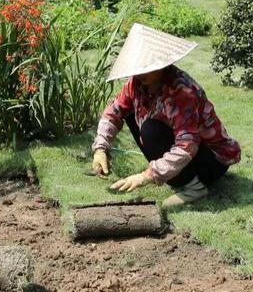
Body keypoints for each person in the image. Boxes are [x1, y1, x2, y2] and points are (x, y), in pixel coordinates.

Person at [91, 23, 241, 208]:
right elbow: (113, 112)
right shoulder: (136, 84)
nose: (140, 73)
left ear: (162, 64)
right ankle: (176, 176)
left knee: (150, 129)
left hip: (210, 160)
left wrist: (146, 176)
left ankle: (194, 186)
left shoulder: (183, 92)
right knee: (130, 113)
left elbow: (187, 146)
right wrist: (100, 149)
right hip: (187, 151)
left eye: (146, 67)